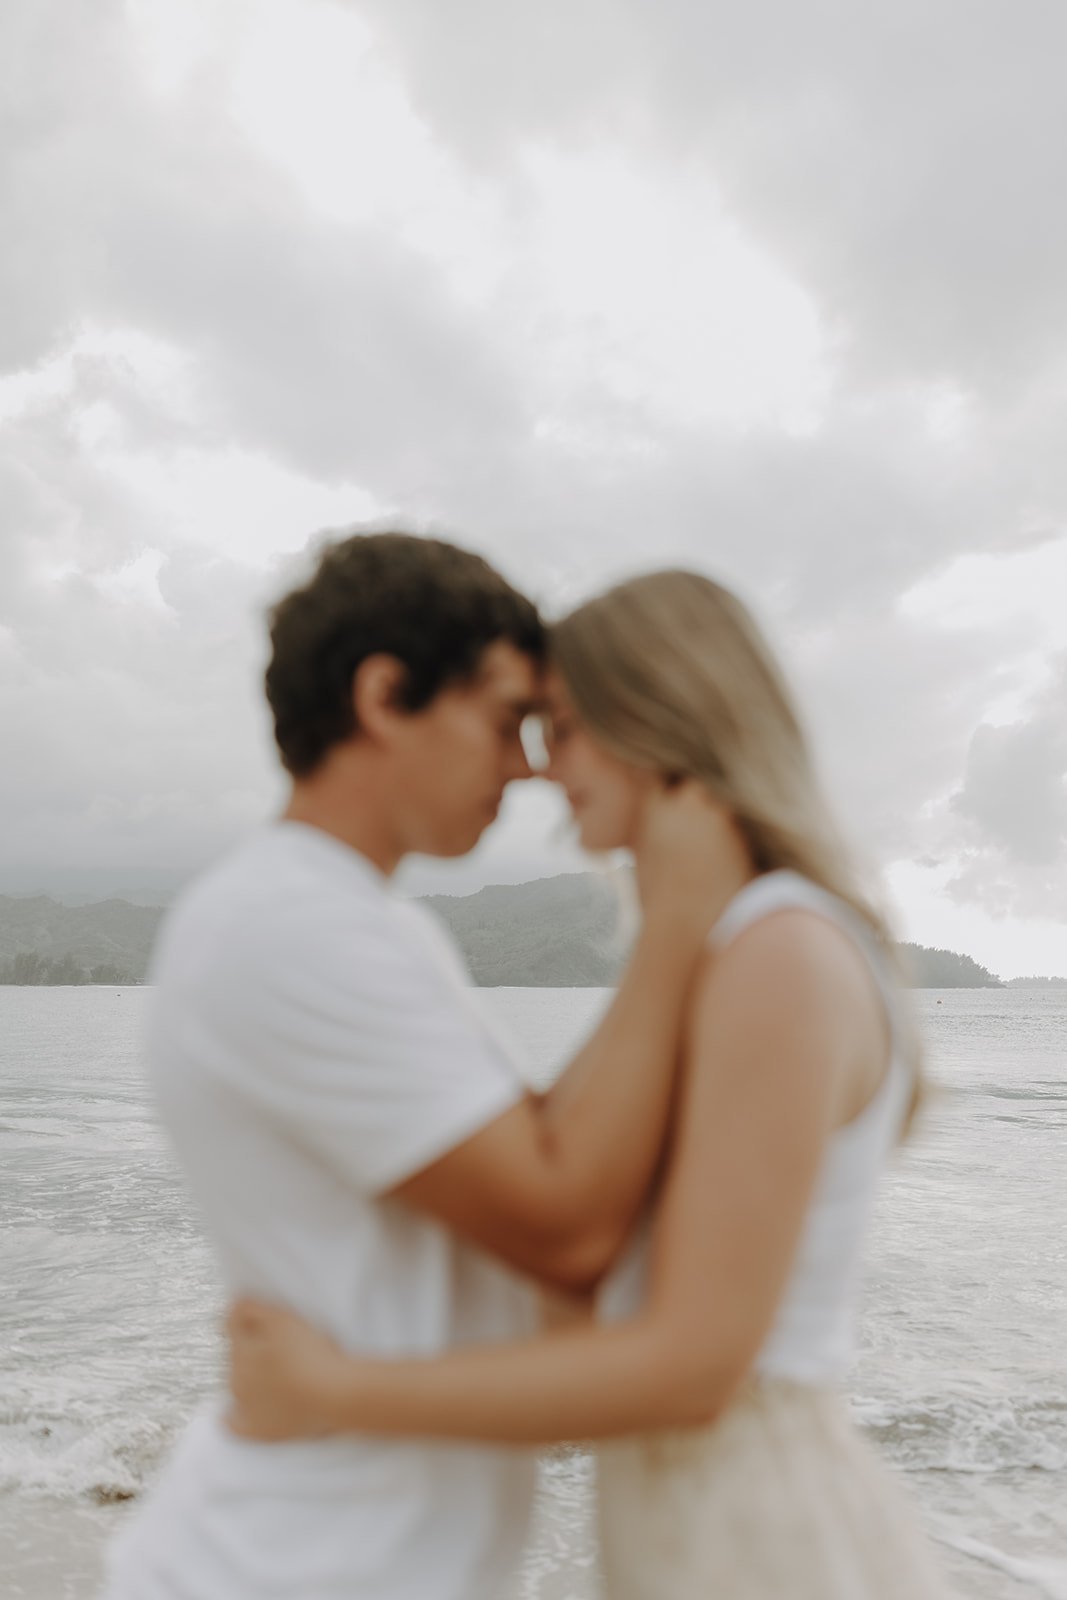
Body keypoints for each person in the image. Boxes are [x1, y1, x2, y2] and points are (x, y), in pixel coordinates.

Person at [227, 569, 954, 1599]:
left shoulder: (776, 951)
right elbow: (560, 1209)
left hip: (762, 1541)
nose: (537, 765)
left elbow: (694, 1367)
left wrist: (338, 1391)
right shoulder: (718, 946)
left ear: (651, 717)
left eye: (558, 725)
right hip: (693, 1527)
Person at [104, 534, 725, 1600]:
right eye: (503, 720)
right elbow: (567, 1222)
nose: (528, 765)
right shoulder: (289, 927)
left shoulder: (362, 923)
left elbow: (540, 1152)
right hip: (291, 1567)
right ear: (386, 696)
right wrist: (679, 914)